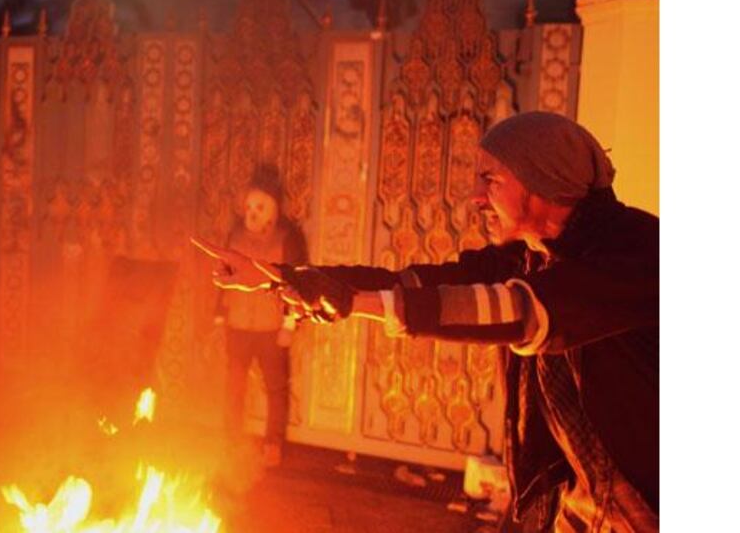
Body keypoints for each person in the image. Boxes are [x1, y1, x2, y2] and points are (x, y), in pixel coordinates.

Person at [194, 112, 658, 531]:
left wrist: (358, 305)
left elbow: (521, 312)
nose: (476, 197)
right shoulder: (531, 259)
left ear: (541, 181)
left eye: (490, 179)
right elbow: (412, 285)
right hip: (584, 508)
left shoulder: (638, 251)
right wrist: (282, 277)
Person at [215, 164, 308, 468]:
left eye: (261, 206)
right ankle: (229, 440)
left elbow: (298, 284)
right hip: (239, 324)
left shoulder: (287, 240)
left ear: (275, 210)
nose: (252, 213)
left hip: (271, 327)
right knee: (233, 386)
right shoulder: (235, 235)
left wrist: (290, 323)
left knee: (276, 387)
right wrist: (220, 316)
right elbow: (223, 274)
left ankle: (273, 443)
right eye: (249, 206)